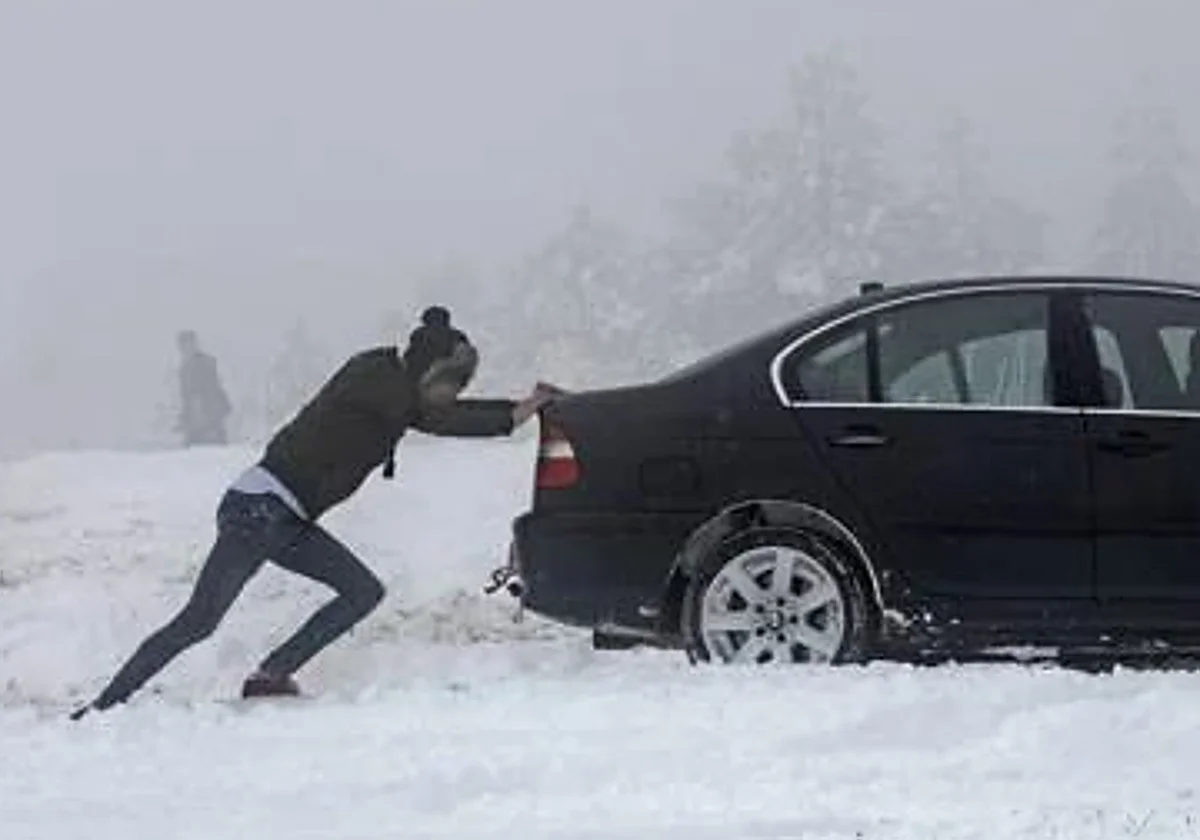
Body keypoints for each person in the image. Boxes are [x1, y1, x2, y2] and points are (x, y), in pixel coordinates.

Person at [71, 307, 554, 718]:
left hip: (273, 512)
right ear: (430, 372)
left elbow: (444, 416)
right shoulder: (375, 378)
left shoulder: (397, 392)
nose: (454, 393)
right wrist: (517, 411)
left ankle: (264, 676)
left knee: (345, 594)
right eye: (453, 382)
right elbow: (440, 416)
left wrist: (521, 410)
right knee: (205, 619)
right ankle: (109, 705)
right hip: (261, 508)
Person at [176, 330, 232, 446]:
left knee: (212, 446)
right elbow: (186, 396)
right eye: (182, 345)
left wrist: (201, 411)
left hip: (208, 413)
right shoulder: (184, 368)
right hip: (198, 416)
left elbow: (210, 387)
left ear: (194, 344)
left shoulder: (204, 363)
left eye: (188, 344)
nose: (184, 348)